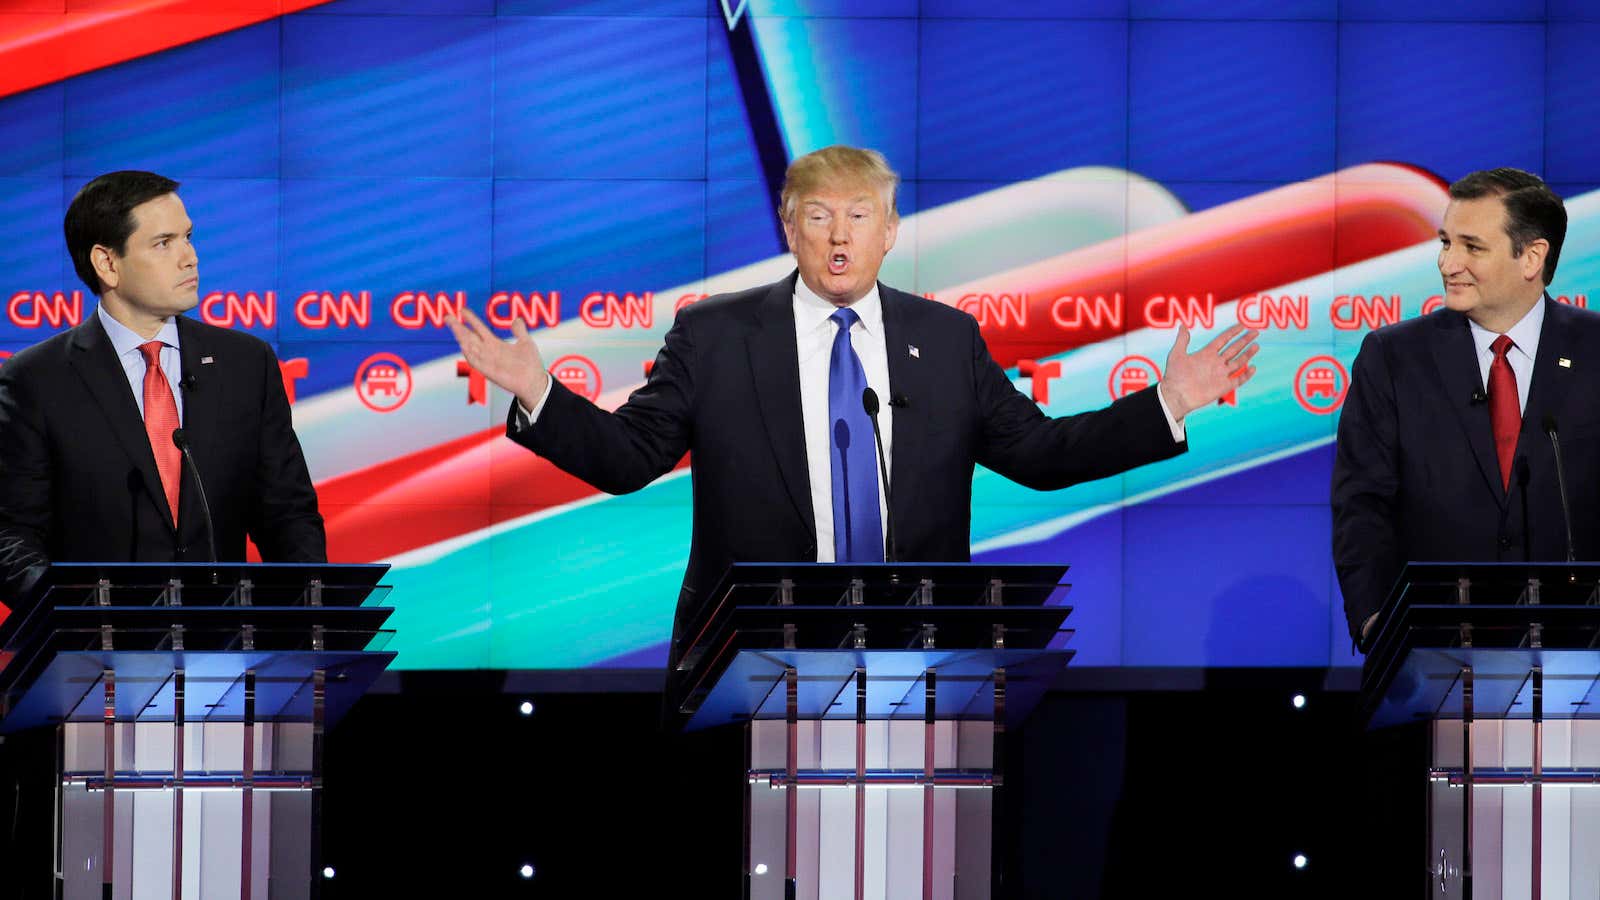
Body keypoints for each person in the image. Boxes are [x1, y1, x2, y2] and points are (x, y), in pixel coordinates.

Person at [452, 144, 1255, 685]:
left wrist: (1169, 403)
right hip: (758, 664)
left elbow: (1039, 454)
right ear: (789, 227)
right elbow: (630, 457)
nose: (840, 238)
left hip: (917, 662)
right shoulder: (717, 336)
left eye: (859, 216)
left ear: (891, 231)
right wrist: (540, 394)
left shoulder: (944, 341)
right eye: (821, 217)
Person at [0, 170, 327, 609]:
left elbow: (288, 517)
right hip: (93, 661)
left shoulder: (246, 365)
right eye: (163, 243)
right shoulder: (36, 380)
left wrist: (305, 628)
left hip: (223, 656)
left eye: (188, 237)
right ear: (107, 263)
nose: (189, 257)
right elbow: (12, 535)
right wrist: (69, 618)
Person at [1333, 167, 1597, 650]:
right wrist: (1375, 619)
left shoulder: (1596, 350)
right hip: (1433, 654)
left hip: (1578, 656)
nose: (1449, 263)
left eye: (1472, 247)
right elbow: (1362, 504)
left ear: (1531, 257)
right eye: (1446, 242)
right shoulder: (1393, 358)